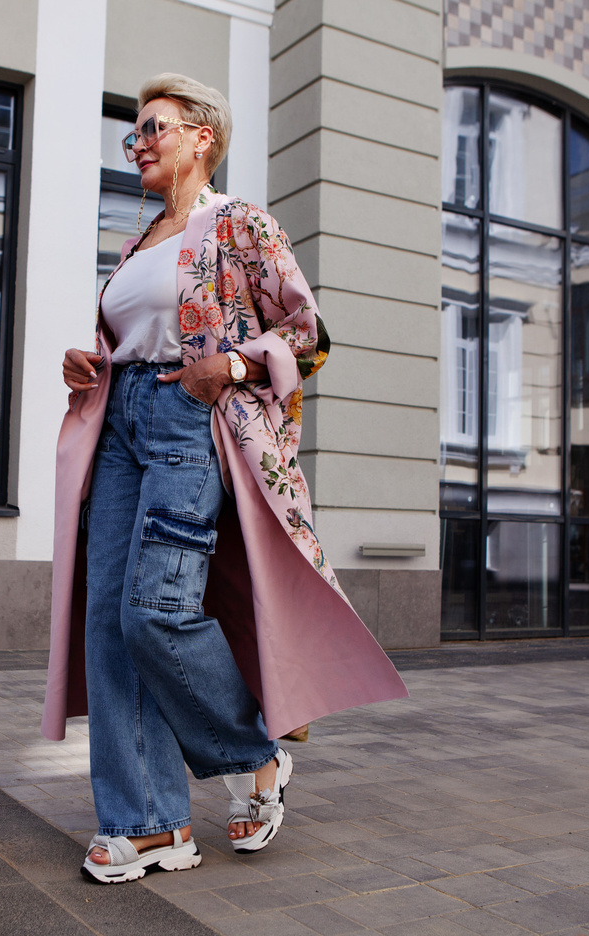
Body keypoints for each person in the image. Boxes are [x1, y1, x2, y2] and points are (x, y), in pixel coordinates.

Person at [43, 73, 408, 885]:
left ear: (202, 137)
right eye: (133, 133)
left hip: (190, 421)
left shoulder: (240, 222)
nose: (138, 143)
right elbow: (134, 338)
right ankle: (148, 826)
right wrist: (89, 364)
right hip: (121, 424)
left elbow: (308, 334)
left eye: (154, 128)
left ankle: (255, 753)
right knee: (110, 623)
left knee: (155, 611)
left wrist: (235, 363)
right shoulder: (137, 242)